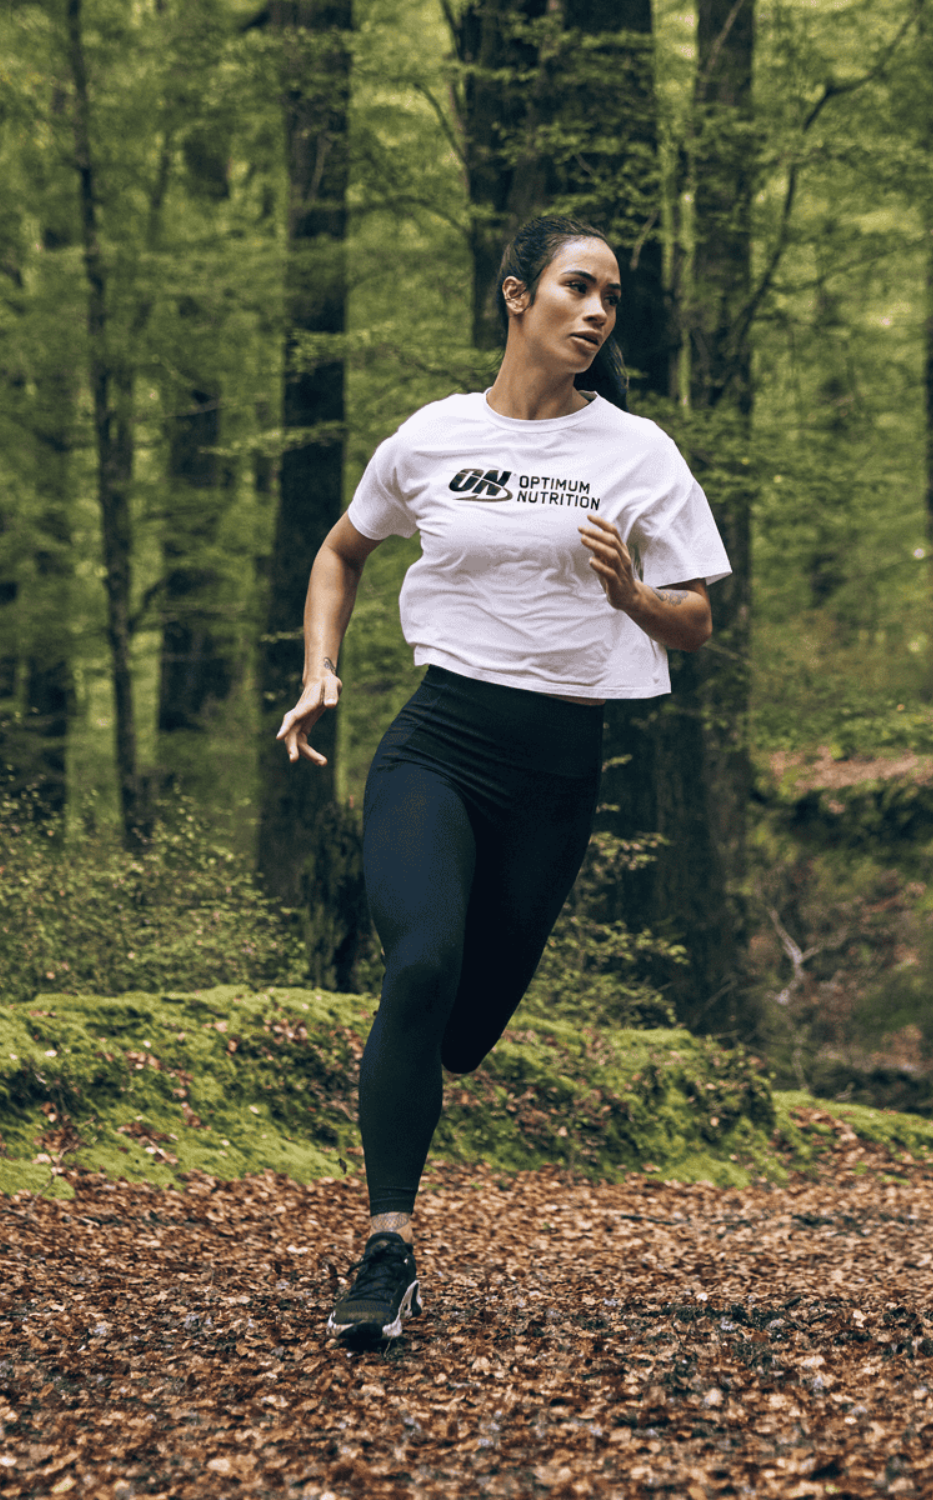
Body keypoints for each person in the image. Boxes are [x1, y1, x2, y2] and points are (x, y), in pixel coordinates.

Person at [276, 214, 731, 1342]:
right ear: (515, 295)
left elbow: (699, 622)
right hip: (437, 742)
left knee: (463, 1030)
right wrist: (320, 668)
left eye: (611, 299)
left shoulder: (637, 452)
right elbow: (342, 550)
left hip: (556, 772)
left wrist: (631, 598)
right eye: (577, 288)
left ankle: (415, 1085)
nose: (595, 312)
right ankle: (387, 1250)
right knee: (420, 962)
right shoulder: (431, 436)